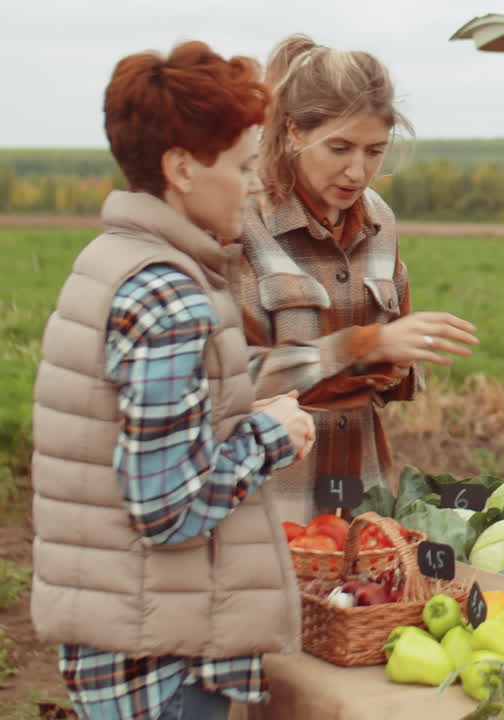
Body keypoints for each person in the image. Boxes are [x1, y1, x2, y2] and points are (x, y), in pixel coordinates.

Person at [29, 41, 316, 720]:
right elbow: (168, 508)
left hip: (123, 637)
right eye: (243, 167)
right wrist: (270, 436)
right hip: (162, 661)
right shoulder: (169, 298)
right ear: (182, 168)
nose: (251, 185)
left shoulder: (112, 260)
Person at [237, 35, 478, 522]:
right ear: (293, 132)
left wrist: (401, 362)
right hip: (273, 507)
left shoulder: (379, 221)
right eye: (340, 148)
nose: (357, 171)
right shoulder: (243, 222)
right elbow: (233, 379)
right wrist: (365, 346)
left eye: (375, 151)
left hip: (362, 494)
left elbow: (388, 375)